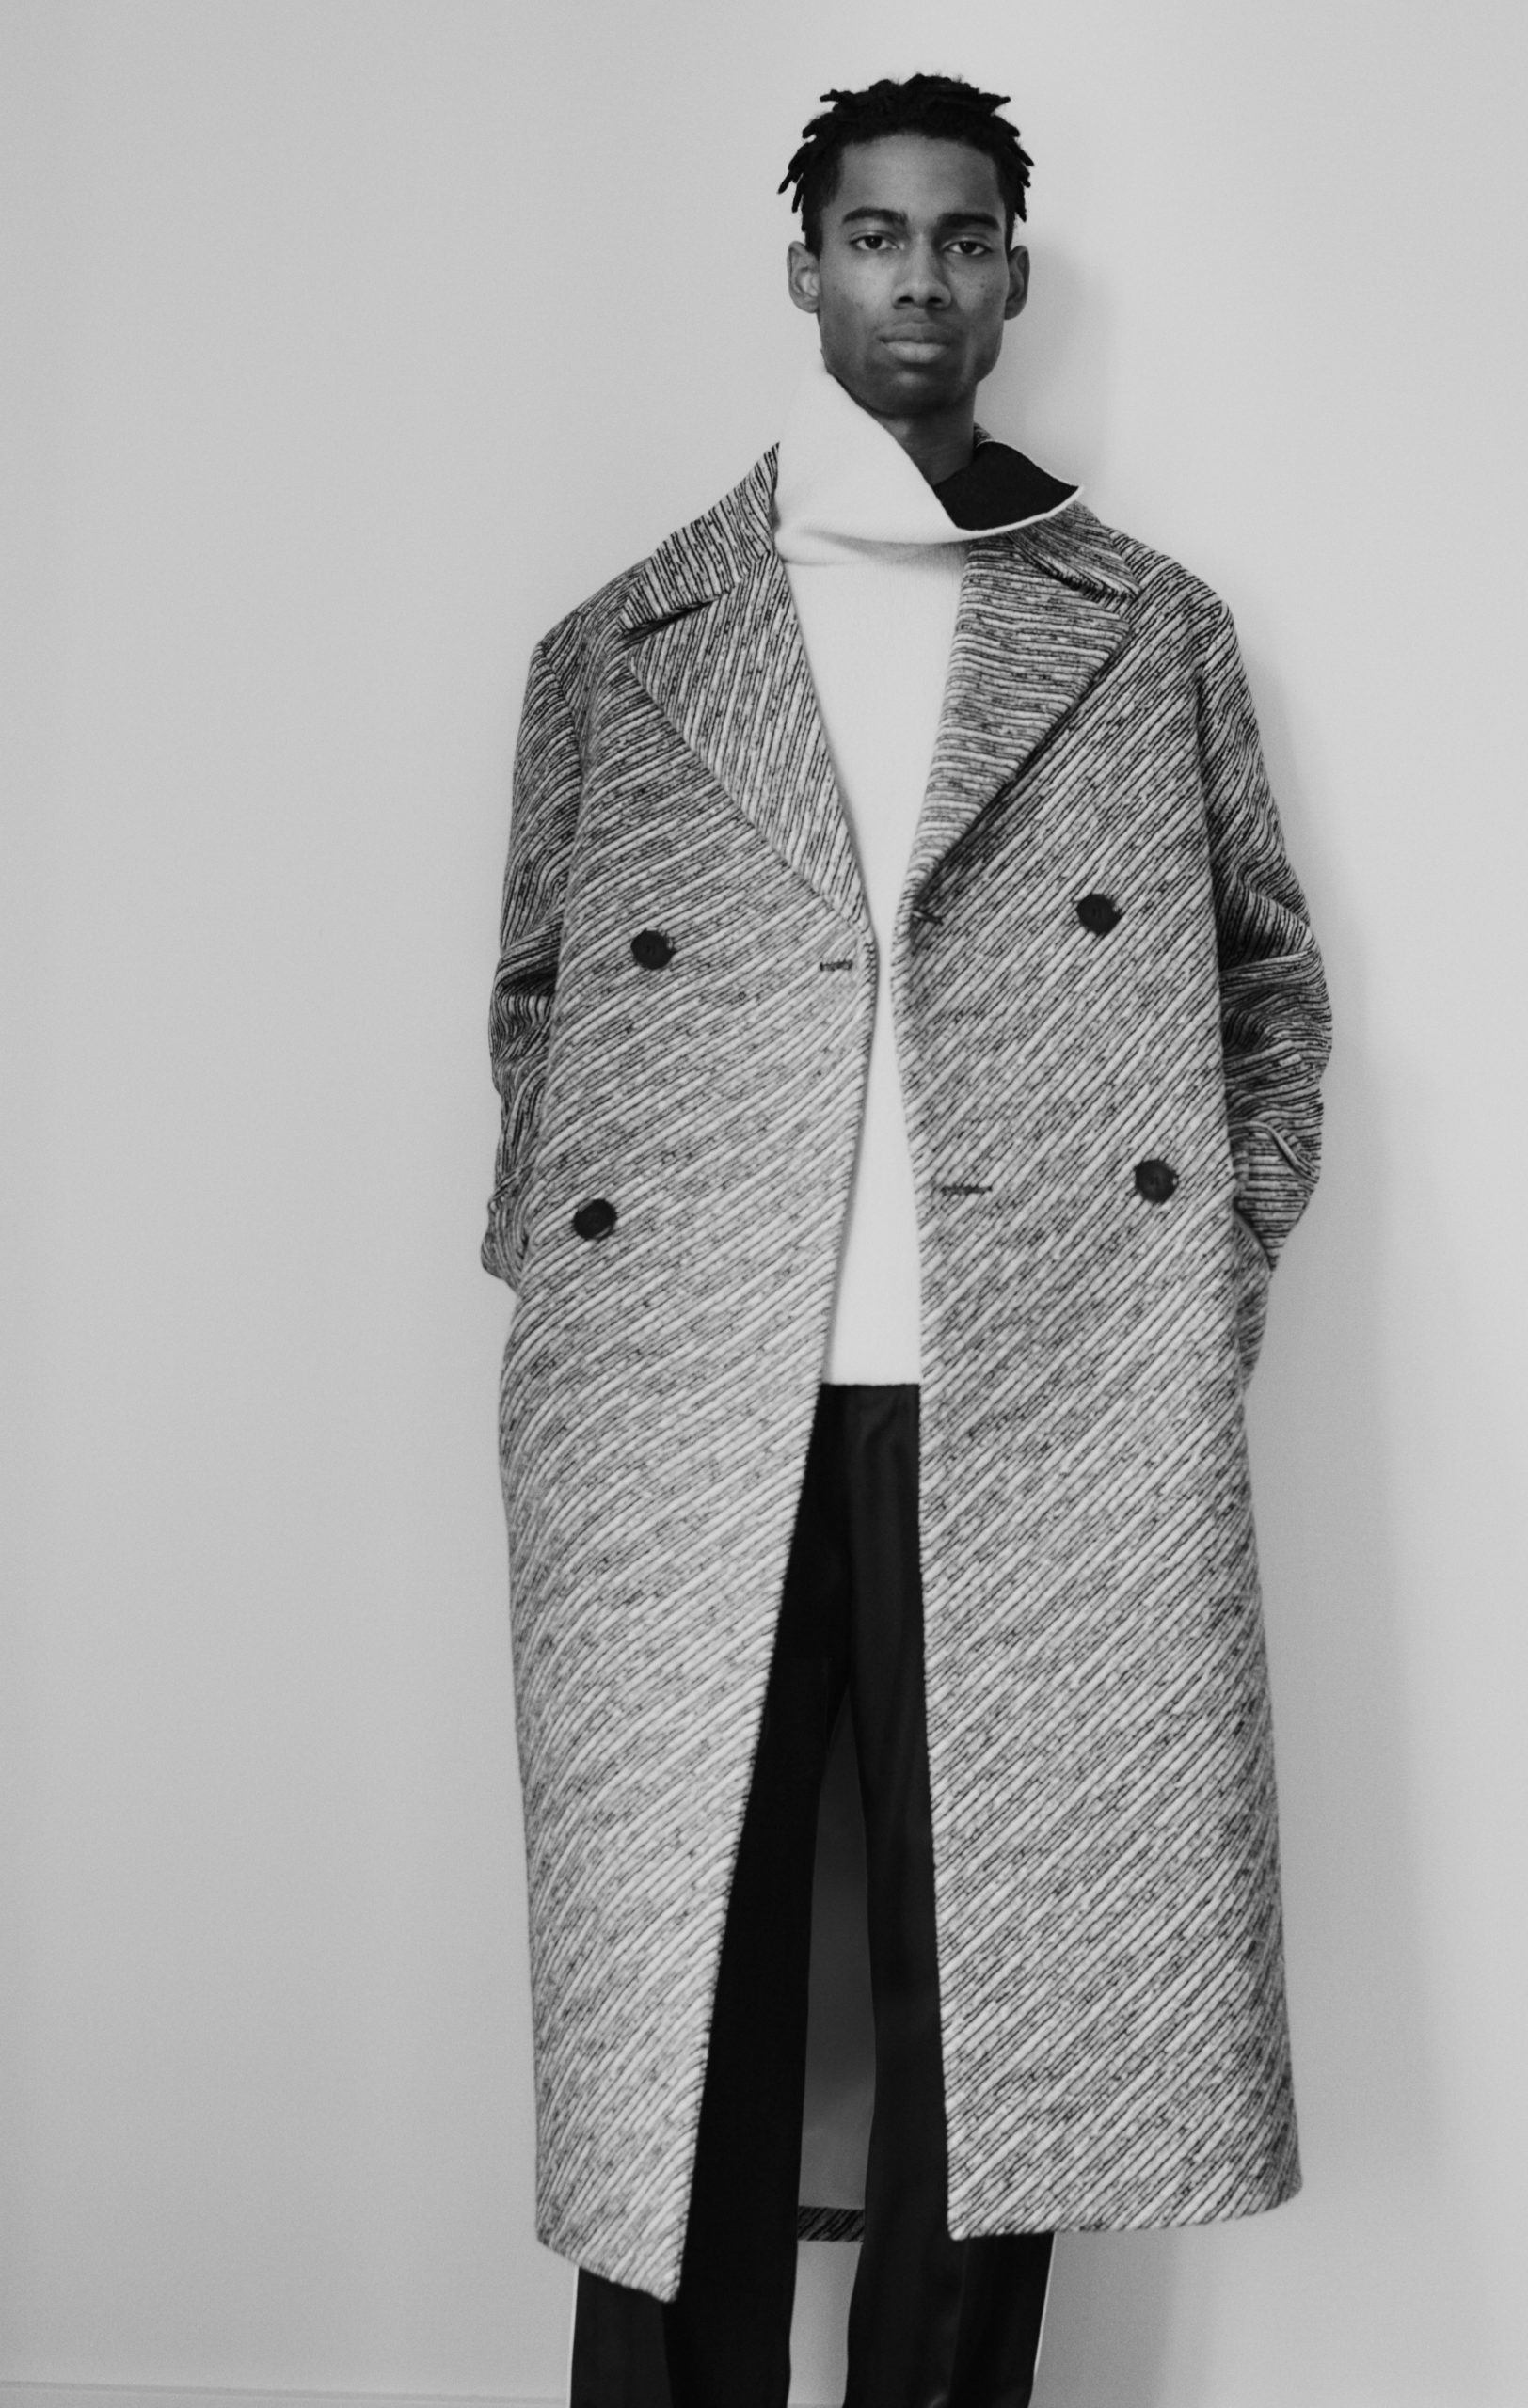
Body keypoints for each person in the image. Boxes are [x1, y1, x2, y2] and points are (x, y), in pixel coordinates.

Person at [482, 71, 1331, 2408]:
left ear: (1013, 276)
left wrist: (1201, 1275)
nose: (921, 281)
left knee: (1006, 1990)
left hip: (1041, 1386)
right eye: (878, 237)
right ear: (807, 269)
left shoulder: (1141, 629)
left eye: (964, 239)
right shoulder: (627, 646)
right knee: (681, 1988)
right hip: (686, 1399)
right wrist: (579, 1279)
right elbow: (534, 998)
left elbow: (1266, 985)